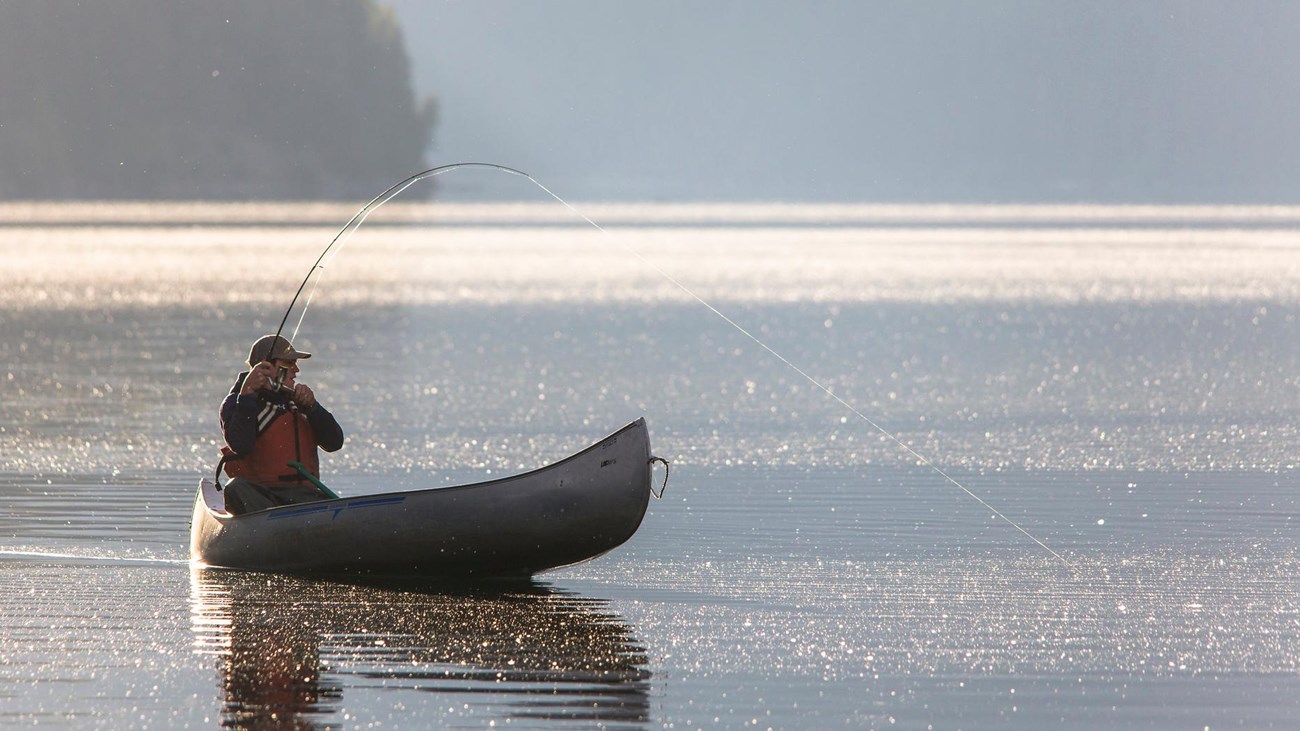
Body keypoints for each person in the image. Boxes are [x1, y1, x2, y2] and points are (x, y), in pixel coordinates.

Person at [218, 334, 345, 514]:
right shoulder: (236, 403)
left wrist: (314, 408)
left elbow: (334, 443)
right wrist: (247, 395)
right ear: (265, 367)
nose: (296, 370)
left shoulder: (298, 402)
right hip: (262, 498)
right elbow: (240, 444)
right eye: (289, 363)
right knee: (235, 487)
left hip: (304, 498)